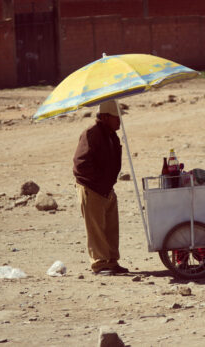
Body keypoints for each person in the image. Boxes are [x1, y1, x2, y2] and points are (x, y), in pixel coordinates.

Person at [73, 99, 129, 275]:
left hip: (106, 189)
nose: (119, 121)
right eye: (116, 117)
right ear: (105, 117)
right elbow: (80, 165)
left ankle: (111, 261)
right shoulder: (91, 134)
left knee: (111, 227)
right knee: (96, 229)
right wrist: (98, 184)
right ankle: (100, 264)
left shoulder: (111, 134)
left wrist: (108, 184)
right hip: (92, 188)